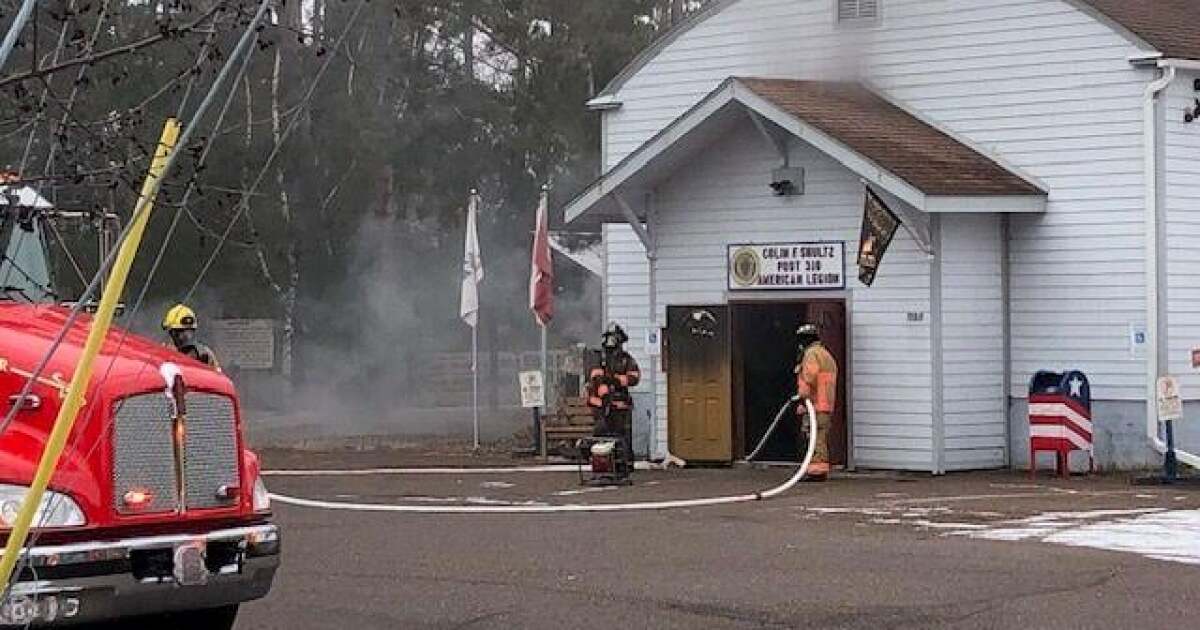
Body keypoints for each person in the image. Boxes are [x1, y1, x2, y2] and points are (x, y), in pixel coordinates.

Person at [586, 323, 641, 466]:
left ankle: (624, 463)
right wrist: (604, 395)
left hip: (620, 405)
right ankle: (600, 463)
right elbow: (595, 377)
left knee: (622, 435)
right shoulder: (598, 358)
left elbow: (634, 377)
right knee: (601, 433)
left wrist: (615, 380)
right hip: (600, 405)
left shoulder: (626, 359)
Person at [795, 323, 836, 480]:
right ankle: (817, 469)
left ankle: (816, 472)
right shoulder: (826, 354)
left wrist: (801, 398)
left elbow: (809, 377)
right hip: (825, 403)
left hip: (815, 404)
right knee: (819, 436)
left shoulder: (811, 354)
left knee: (814, 437)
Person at [162, 304, 220, 369]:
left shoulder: (204, 354)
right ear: (171, 332)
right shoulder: (161, 353)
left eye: (190, 331)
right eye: (181, 331)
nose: (186, 336)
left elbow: (218, 376)